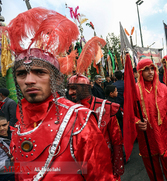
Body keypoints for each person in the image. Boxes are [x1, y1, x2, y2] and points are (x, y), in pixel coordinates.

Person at [8, 7, 114, 180]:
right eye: (21, 74)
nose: (28, 80)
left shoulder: (80, 119)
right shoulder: (19, 122)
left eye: (39, 72)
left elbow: (100, 176)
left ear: (55, 79)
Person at [68, 74, 124, 180]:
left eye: (74, 88)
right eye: (69, 89)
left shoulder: (106, 107)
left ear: (85, 88)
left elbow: (116, 141)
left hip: (106, 164)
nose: (70, 93)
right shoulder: (69, 110)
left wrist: (117, 167)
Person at [135, 59, 167, 181]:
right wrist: (137, 122)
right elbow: (128, 114)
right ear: (140, 72)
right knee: (154, 175)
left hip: (165, 136)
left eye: (152, 69)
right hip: (147, 138)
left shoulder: (163, 88)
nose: (150, 72)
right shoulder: (135, 91)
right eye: (146, 70)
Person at [0, 116, 14, 181]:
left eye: (4, 125)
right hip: (6, 175)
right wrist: (9, 162)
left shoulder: (16, 134)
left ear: (8, 123)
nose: (2, 128)